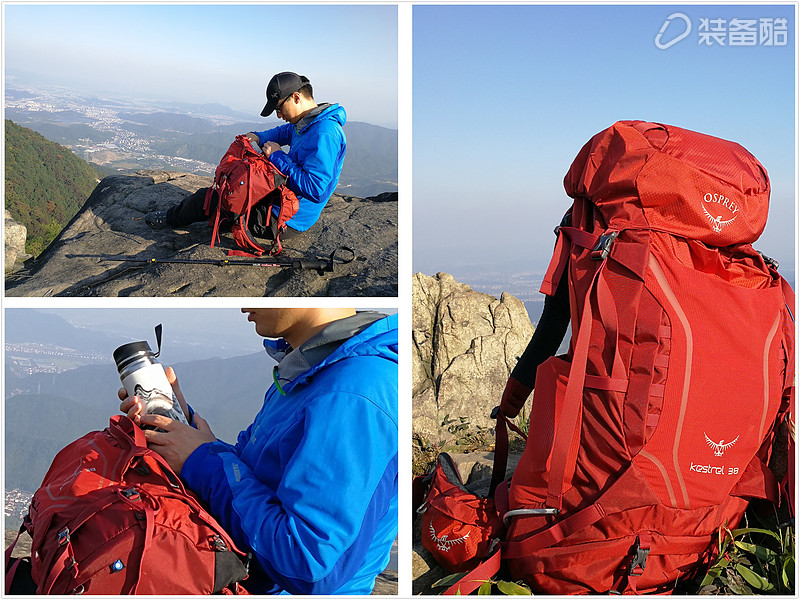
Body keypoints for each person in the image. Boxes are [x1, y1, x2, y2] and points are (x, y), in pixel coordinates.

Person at [119, 308, 397, 595]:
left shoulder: (352, 394)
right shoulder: (315, 367)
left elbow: (309, 565)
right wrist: (183, 428)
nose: (243, 306)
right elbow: (262, 477)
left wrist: (201, 459)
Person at [145, 72, 347, 243]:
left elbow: (317, 189)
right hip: (284, 202)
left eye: (279, 108)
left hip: (284, 218)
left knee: (212, 199)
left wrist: (277, 156)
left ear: (296, 97)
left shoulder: (324, 133)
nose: (278, 114)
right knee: (232, 191)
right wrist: (259, 137)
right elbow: (285, 132)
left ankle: (171, 218)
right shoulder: (307, 121)